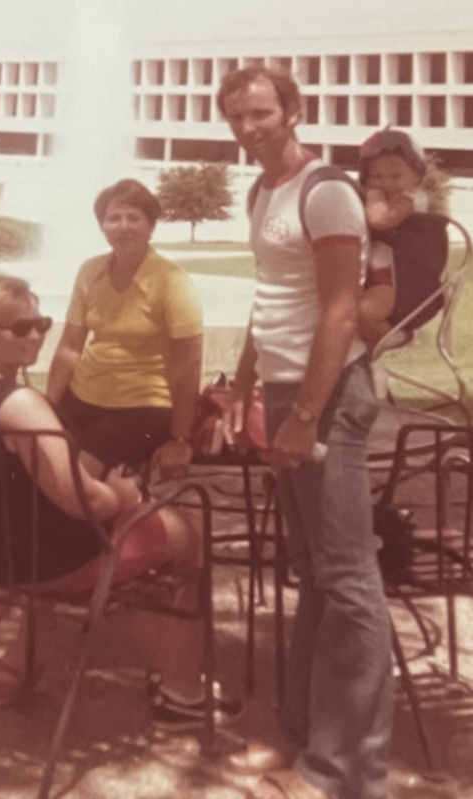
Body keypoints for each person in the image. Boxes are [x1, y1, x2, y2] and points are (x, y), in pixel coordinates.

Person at [0, 274, 240, 730]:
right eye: (21, 328)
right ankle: (181, 693)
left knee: (108, 528)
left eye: (41, 322)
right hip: (49, 564)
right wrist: (120, 494)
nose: (38, 334)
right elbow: (84, 504)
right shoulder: (22, 404)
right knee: (186, 534)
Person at [217, 67, 393, 799]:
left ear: (293, 111)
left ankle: (346, 772)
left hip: (329, 397)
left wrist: (303, 415)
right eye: (237, 115)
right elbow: (272, 302)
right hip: (288, 387)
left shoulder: (325, 191)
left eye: (261, 111)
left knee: (349, 580)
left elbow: (341, 312)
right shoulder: (263, 192)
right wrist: (241, 380)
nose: (249, 125)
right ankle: (303, 735)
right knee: (315, 572)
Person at [46, 178, 203, 480]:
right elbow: (69, 347)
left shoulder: (172, 280)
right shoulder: (90, 271)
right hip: (81, 398)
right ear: (102, 225)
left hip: (142, 408)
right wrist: (48, 405)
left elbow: (189, 363)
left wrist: (180, 440)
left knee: (75, 479)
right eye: (113, 218)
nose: (123, 226)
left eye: (134, 217)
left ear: (151, 226)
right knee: (33, 460)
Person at [358, 127, 448, 347]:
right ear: (366, 179)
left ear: (417, 176)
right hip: (381, 276)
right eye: (377, 176)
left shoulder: (409, 201)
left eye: (396, 175)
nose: (387, 182)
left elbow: (380, 221)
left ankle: (397, 338)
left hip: (398, 282)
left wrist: (384, 203)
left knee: (360, 312)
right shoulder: (375, 197)